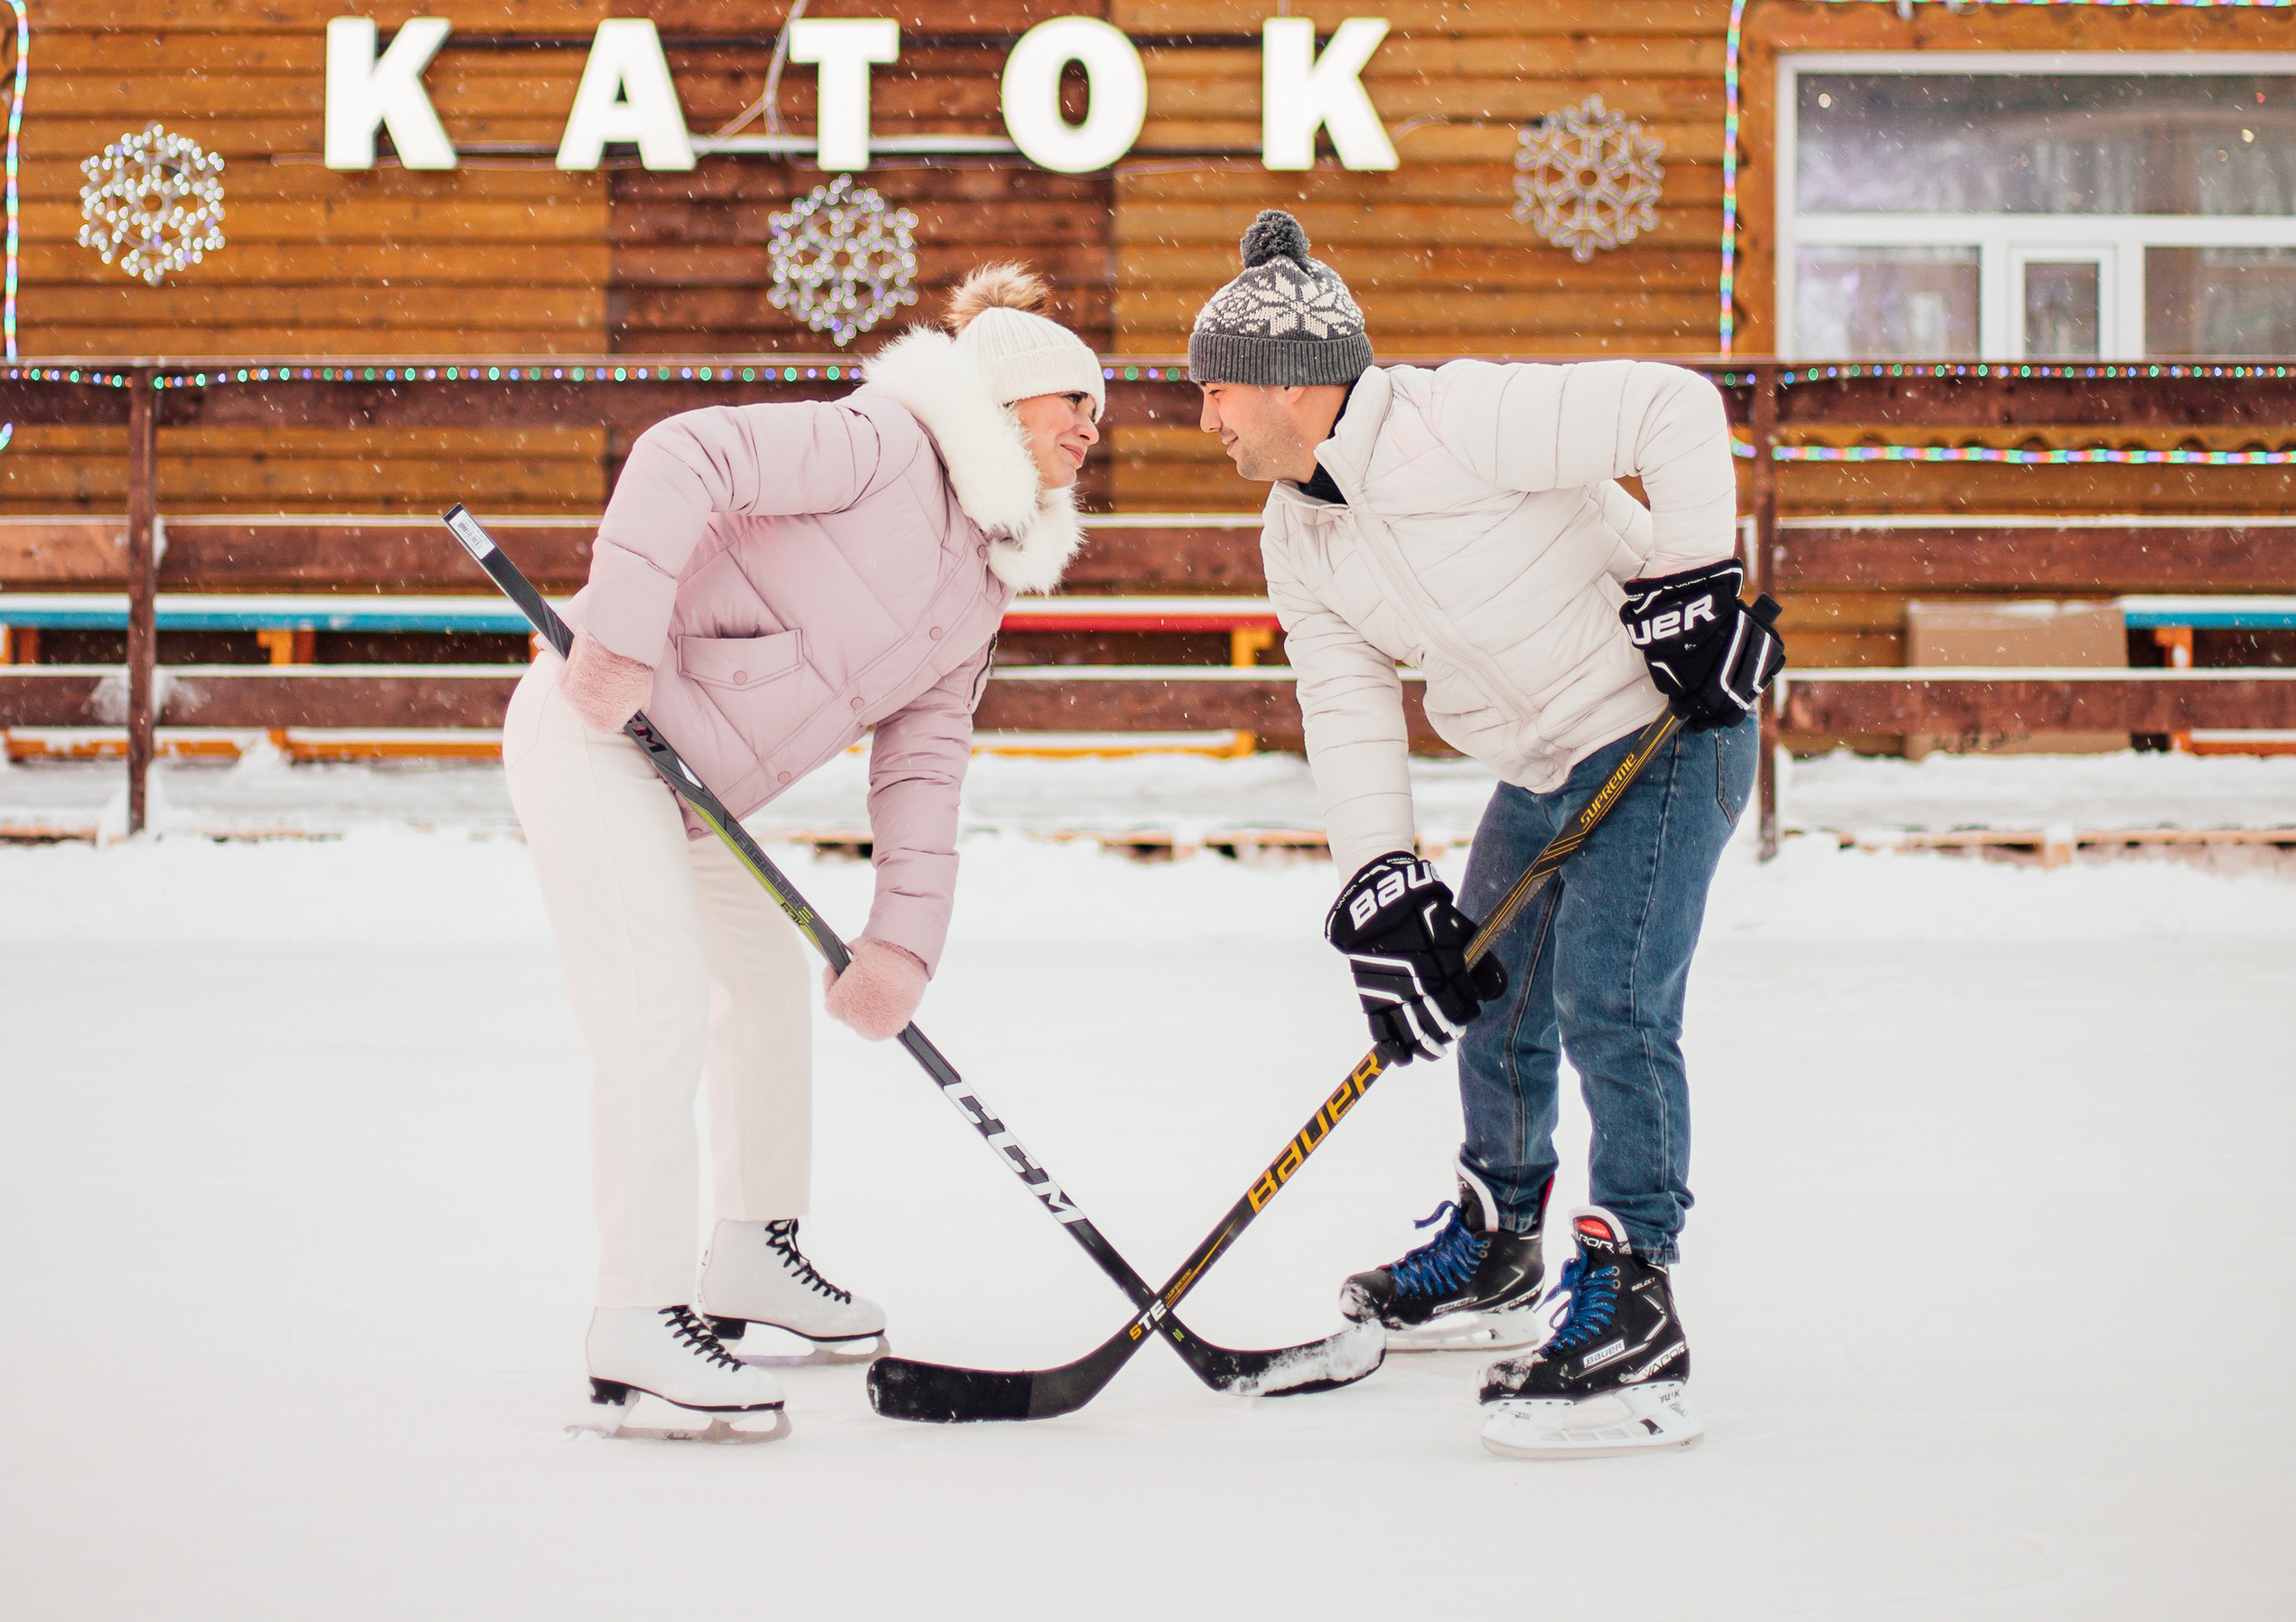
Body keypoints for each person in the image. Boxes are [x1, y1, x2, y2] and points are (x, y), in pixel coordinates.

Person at [1185, 209, 1781, 1458]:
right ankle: (1503, 1247)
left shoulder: (1459, 418)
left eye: (1219, 391)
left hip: (1665, 729)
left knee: (1613, 1002)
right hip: (1538, 757)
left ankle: (1635, 1292)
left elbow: (1672, 407)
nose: (1206, 420)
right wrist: (1382, 882)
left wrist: (1692, 586)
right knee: (1495, 1000)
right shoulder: (1299, 526)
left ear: (1297, 386)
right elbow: (1342, 698)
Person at [503, 265, 1099, 1436]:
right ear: (1003, 395)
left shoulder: (978, 587)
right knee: (656, 1007)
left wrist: (901, 946)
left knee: (765, 992)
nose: (1090, 426)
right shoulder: (880, 444)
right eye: (1070, 399)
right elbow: (684, 456)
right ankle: (636, 1314)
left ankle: (750, 1253)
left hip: (690, 786)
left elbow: (922, 768)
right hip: (594, 725)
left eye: (1096, 412)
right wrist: (617, 638)